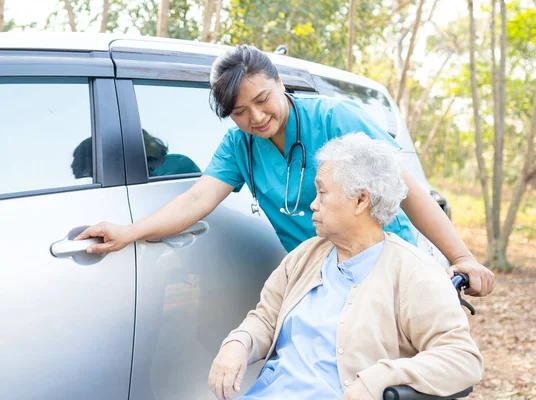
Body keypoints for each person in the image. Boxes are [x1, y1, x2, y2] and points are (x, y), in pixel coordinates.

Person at [76, 44, 494, 297]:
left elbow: (408, 189)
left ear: (278, 81)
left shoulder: (335, 118)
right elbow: (198, 199)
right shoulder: (240, 146)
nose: (256, 117)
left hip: (388, 267)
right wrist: (129, 232)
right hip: (323, 277)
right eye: (239, 112)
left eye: (262, 99)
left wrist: (462, 258)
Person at [208, 134, 483, 400]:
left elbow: (462, 359)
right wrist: (239, 342)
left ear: (361, 200)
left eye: (322, 192)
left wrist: (381, 377)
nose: (313, 204)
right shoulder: (306, 255)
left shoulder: (414, 273)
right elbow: (266, 318)